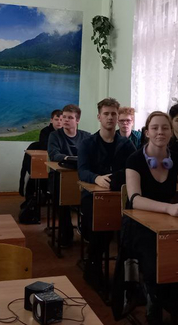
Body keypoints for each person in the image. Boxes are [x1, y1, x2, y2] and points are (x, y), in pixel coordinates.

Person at [123, 111, 178, 324]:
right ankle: (154, 297)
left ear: (171, 132)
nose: (160, 132)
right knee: (153, 258)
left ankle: (171, 300)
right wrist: (169, 208)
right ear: (147, 132)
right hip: (138, 223)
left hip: (168, 222)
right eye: (155, 128)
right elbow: (135, 199)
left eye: (165, 128)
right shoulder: (134, 159)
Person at [78, 98, 135, 286]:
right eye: (106, 114)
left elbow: (134, 167)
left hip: (120, 195)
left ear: (118, 117)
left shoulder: (126, 144)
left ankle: (125, 276)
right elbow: (82, 170)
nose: (110, 117)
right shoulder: (88, 143)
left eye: (113, 114)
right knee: (100, 231)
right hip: (93, 196)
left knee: (132, 231)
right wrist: (96, 178)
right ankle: (93, 268)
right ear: (99, 117)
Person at [48, 104, 90, 246]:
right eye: (64, 117)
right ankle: (66, 235)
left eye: (70, 118)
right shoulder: (55, 135)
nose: (65, 120)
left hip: (81, 176)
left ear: (77, 120)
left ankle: (87, 231)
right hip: (60, 177)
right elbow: (54, 155)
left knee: (91, 200)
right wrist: (70, 158)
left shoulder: (86, 136)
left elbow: (92, 155)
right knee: (61, 202)